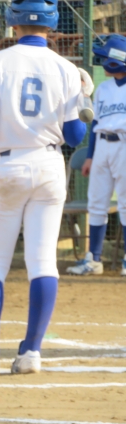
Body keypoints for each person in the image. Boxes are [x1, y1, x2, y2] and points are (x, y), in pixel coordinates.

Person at [0, 0, 87, 376]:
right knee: (43, 261)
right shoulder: (67, 68)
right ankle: (31, 352)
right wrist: (82, 96)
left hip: (7, 165)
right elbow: (75, 136)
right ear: (52, 21)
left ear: (12, 18)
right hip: (50, 167)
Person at [66, 34, 126, 277]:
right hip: (102, 146)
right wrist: (90, 156)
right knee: (96, 203)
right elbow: (95, 126)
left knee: (125, 204)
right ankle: (94, 259)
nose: (103, 62)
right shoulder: (103, 89)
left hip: (123, 146)